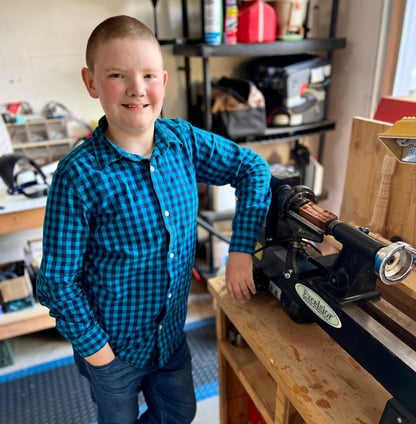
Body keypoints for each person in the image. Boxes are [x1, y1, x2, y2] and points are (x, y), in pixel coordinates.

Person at [37, 15, 271, 424]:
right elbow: (57, 282)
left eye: (148, 75)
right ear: (91, 83)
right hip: (112, 350)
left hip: (169, 341)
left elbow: (252, 167)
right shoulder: (78, 176)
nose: (137, 89)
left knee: (179, 414)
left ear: (163, 80)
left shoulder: (182, 141)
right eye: (117, 75)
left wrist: (240, 250)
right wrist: (101, 356)